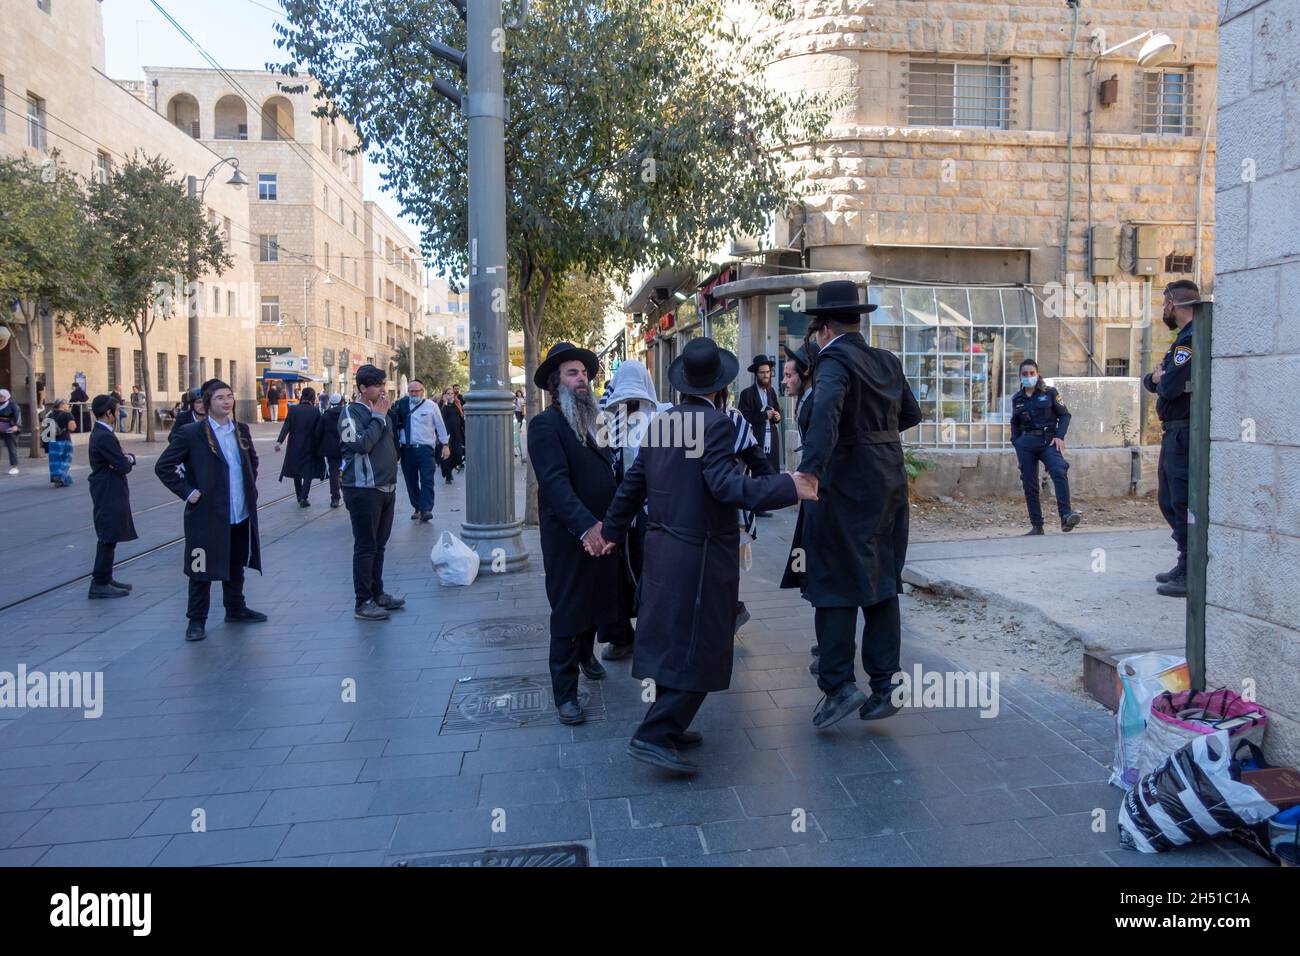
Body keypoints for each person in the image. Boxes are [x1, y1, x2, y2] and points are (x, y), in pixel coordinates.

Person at [598, 338, 812, 773]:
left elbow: (632, 485)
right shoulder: (715, 424)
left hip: (662, 550)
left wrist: (611, 531)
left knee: (674, 641)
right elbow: (726, 487)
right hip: (699, 554)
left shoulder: (661, 423)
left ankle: (670, 725)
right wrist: (790, 485)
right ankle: (654, 734)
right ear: (720, 386)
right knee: (703, 644)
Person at [794, 280, 924, 729]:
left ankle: (838, 687)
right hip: (887, 478)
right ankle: (886, 683)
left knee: (833, 584)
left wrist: (810, 471)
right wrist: (876, 435)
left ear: (824, 327)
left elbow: (826, 414)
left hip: (844, 482)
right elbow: (912, 414)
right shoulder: (884, 359)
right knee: (883, 579)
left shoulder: (833, 359)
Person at [526, 342, 622, 724]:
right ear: (556, 383)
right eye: (572, 373)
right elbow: (555, 484)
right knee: (568, 608)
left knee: (598, 596)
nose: (582, 379)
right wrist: (586, 526)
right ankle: (565, 692)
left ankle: (587, 654)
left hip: (605, 529)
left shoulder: (595, 419)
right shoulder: (544, 425)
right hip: (569, 534)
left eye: (584, 373)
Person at [155, 379, 267, 643]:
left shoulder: (241, 430)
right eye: (219, 398)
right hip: (206, 515)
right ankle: (196, 620)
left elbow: (251, 460)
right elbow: (164, 466)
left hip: (239, 511)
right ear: (207, 403)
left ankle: (235, 608)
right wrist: (188, 492)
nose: (226, 402)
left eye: (229, 396)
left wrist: (249, 486)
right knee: (200, 568)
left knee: (236, 562)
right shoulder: (192, 433)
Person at [596, 360, 671, 662]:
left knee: (654, 574)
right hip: (625, 515)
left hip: (655, 514)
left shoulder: (665, 418)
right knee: (622, 576)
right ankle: (623, 636)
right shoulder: (610, 423)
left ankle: (659, 637)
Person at [1143, 279, 1199, 598]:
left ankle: (1190, 570)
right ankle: (1183, 562)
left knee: (1181, 499)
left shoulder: (1190, 341)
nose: (1163, 309)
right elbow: (1153, 382)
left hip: (1185, 430)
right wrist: (1156, 378)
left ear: (1173, 305)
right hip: (1173, 430)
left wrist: (1159, 379)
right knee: (1168, 498)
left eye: (1164, 303)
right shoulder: (1181, 340)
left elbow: (1170, 386)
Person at [339, 364, 406, 621]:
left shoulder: (383, 411)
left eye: (383, 383)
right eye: (377, 385)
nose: (382, 389)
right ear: (363, 388)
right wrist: (378, 417)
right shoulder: (350, 413)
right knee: (366, 546)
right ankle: (363, 600)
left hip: (386, 487)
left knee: (380, 545)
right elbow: (360, 444)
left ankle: (378, 593)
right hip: (363, 489)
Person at [778, 339, 821, 673]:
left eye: (789, 374)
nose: (784, 380)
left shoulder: (813, 404)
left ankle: (832, 646)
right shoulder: (806, 402)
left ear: (805, 374)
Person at [1011, 360, 1082, 535]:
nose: (1028, 377)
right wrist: (1016, 442)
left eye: (1031, 373)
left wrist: (1059, 436)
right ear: (1020, 376)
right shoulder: (1017, 399)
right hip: (1026, 444)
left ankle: (1066, 516)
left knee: (1058, 469)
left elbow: (1065, 415)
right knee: (1030, 483)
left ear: (1038, 373)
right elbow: (1015, 423)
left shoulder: (1050, 393)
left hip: (1048, 441)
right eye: (1025, 374)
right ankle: (1037, 525)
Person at [87, 394, 138, 599]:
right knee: (108, 535)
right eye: (117, 410)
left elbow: (118, 462)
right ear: (109, 413)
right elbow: (124, 465)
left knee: (111, 534)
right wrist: (129, 458)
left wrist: (121, 459)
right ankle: (99, 582)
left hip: (109, 486)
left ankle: (105, 577)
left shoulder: (101, 433)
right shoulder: (104, 435)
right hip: (108, 488)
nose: (118, 414)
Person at [389, 379, 450, 522]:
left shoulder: (431, 406)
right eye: (411, 391)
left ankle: (426, 508)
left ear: (423, 392)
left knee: (427, 479)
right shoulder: (401, 406)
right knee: (411, 480)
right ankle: (417, 506)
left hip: (425, 450)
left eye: (417, 391)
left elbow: (440, 426)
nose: (414, 394)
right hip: (407, 450)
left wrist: (445, 445)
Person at [736, 353, 783, 511]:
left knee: (770, 471)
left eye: (768, 372)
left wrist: (777, 416)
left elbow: (777, 411)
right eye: (762, 372)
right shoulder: (747, 394)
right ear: (756, 374)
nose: (765, 375)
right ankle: (757, 506)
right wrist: (764, 415)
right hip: (756, 439)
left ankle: (767, 503)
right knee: (757, 473)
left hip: (771, 438)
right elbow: (744, 417)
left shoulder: (772, 392)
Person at [275, 386, 324, 507]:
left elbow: (286, 426)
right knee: (308, 472)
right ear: (313, 398)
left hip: (294, 445)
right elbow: (319, 431)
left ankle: (299, 495)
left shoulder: (293, 410)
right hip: (310, 445)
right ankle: (304, 497)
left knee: (297, 471)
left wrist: (279, 441)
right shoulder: (315, 411)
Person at [313, 392, 345, 508]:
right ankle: (347, 494)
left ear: (331, 403)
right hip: (345, 447)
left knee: (334, 473)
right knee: (347, 471)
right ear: (342, 401)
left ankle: (335, 498)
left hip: (331, 449)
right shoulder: (346, 413)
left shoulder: (326, 415)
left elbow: (318, 433)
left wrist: (319, 445)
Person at [44, 398, 77, 487]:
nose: (68, 405)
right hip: (64, 440)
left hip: (52, 441)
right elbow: (72, 427)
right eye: (67, 403)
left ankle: (57, 478)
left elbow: (45, 431)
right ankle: (60, 475)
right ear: (61, 405)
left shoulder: (49, 415)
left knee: (55, 461)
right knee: (66, 459)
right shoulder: (67, 414)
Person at [437, 387, 465, 484]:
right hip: (446, 435)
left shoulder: (457, 404)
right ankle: (448, 474)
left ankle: (449, 469)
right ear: (444, 395)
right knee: (447, 455)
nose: (450, 395)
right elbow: (441, 418)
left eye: (452, 393)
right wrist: (445, 404)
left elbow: (461, 418)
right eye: (448, 393)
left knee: (458, 454)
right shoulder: (441, 405)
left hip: (457, 433)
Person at [0, 389, 21, 475]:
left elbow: (18, 416)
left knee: (11, 448)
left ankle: (14, 466)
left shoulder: (13, 405)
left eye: (1, 396)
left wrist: (16, 425)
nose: (0, 398)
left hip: (9, 428)